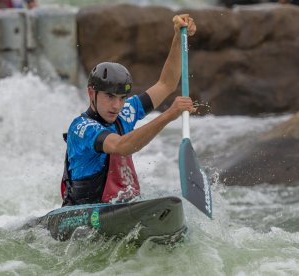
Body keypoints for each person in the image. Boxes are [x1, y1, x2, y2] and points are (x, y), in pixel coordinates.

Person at [61, 14, 197, 206]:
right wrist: (168, 116)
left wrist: (177, 36)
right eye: (109, 97)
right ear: (92, 93)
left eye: (122, 98)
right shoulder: (81, 128)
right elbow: (120, 146)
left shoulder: (125, 113)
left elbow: (167, 84)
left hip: (118, 207)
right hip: (83, 215)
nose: (117, 106)